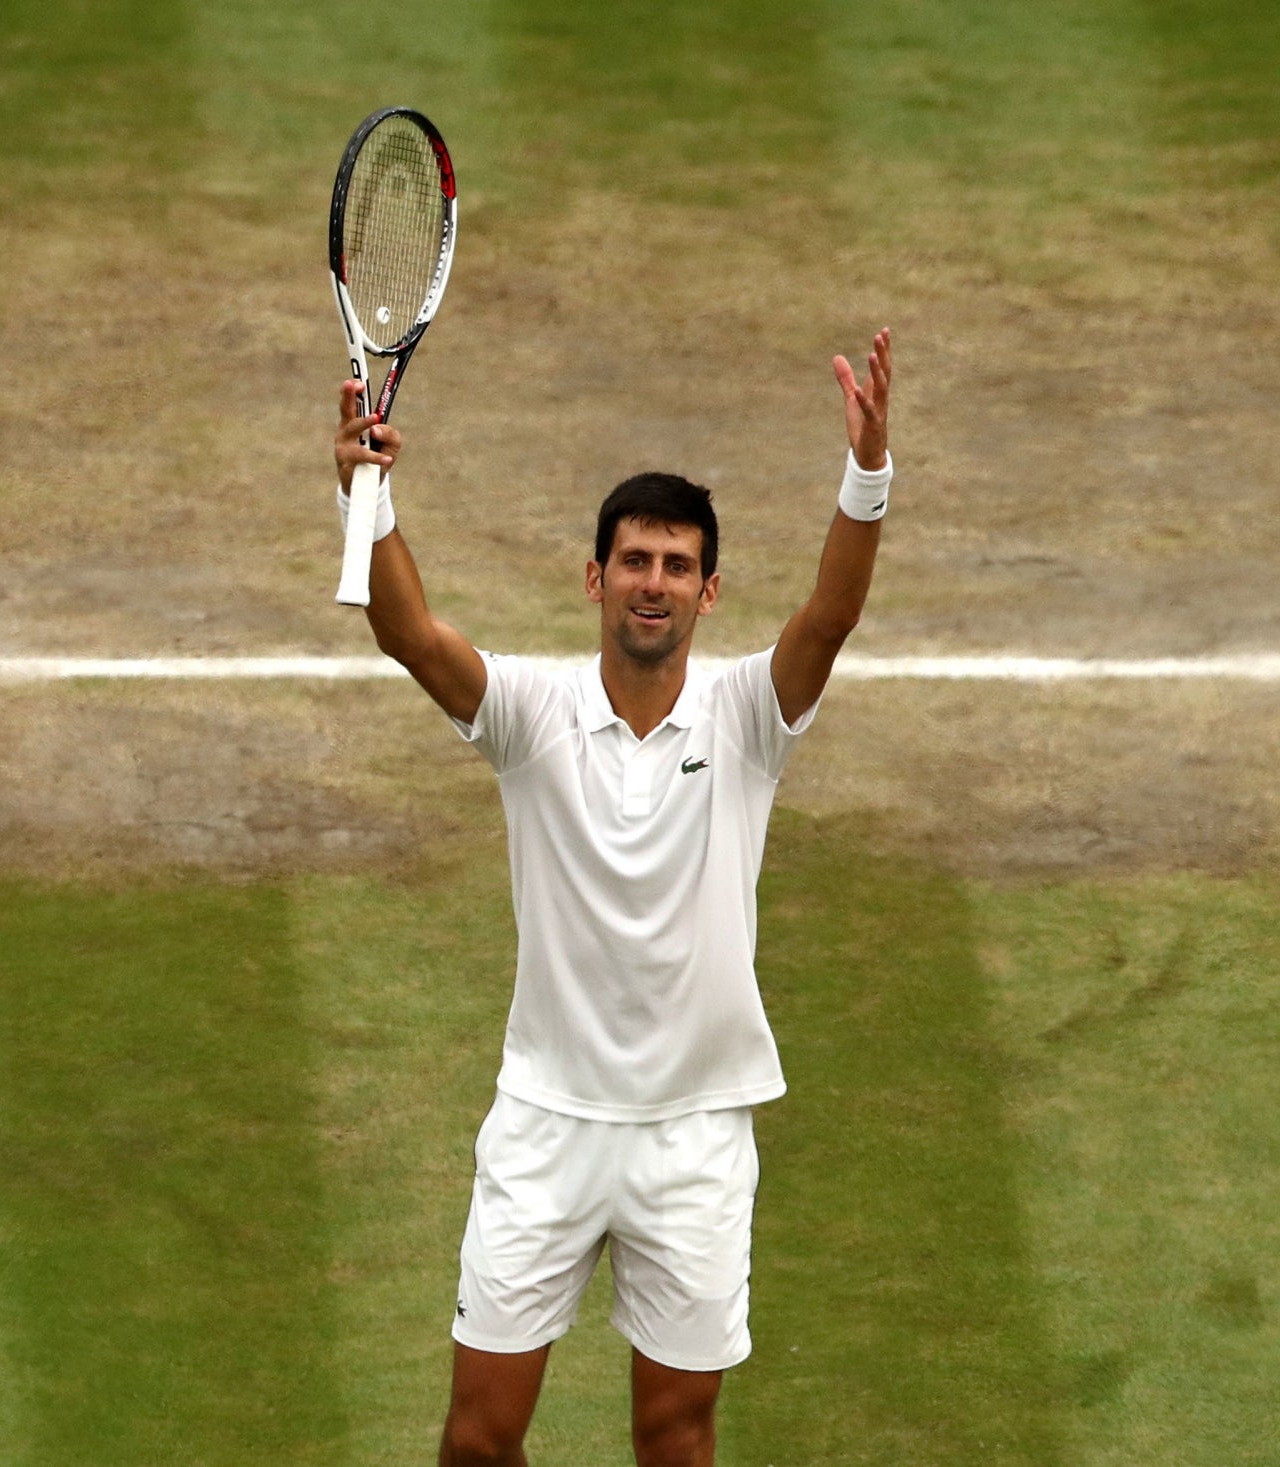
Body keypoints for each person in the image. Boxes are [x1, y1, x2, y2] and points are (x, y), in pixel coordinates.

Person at [330, 329, 895, 1467]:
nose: (654, 583)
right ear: (596, 579)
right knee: (477, 1444)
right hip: (546, 1125)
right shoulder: (530, 711)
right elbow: (407, 634)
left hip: (693, 1138)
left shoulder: (747, 718)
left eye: (677, 566)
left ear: (709, 591)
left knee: (675, 1441)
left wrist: (866, 476)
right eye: (635, 561)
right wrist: (365, 493)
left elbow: (828, 620)